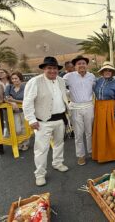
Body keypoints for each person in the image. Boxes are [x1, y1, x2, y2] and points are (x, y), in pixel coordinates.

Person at [23, 57, 69, 186]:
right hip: (42, 121)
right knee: (41, 149)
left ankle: (58, 163)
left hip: (60, 118)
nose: (52, 70)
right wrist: (31, 119)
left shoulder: (61, 81)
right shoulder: (35, 81)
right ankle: (40, 174)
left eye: (54, 68)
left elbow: (63, 96)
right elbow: (28, 102)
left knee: (59, 143)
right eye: (49, 68)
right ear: (44, 69)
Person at [92, 61, 115, 163]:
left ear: (112, 72)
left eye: (109, 70)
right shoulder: (97, 81)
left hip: (111, 109)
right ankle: (102, 154)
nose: (107, 72)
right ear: (102, 72)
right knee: (101, 133)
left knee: (113, 133)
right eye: (105, 70)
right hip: (99, 109)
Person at [63, 55, 95, 166]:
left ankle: (91, 152)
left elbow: (96, 88)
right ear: (75, 66)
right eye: (79, 64)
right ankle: (81, 155)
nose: (81, 65)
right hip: (75, 108)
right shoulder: (68, 76)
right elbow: (59, 86)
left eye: (83, 63)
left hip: (89, 107)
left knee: (89, 132)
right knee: (78, 134)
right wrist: (67, 94)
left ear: (86, 65)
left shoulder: (91, 76)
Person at [5, 72, 28, 150]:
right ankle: (19, 142)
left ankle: (24, 144)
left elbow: (27, 101)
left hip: (24, 111)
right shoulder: (9, 87)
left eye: (16, 78)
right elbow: (6, 98)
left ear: (20, 79)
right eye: (12, 79)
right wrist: (12, 103)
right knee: (17, 129)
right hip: (14, 112)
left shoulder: (25, 87)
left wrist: (14, 100)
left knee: (24, 128)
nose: (14, 80)